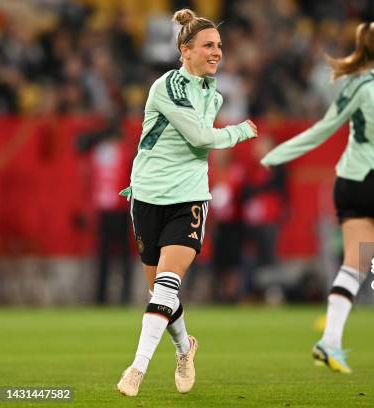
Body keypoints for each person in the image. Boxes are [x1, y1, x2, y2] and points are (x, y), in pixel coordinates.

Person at [261, 21, 374, 374]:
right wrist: (277, 155)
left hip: (356, 183)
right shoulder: (359, 86)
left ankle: (329, 343)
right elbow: (325, 126)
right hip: (367, 177)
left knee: (353, 267)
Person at [115, 9, 258, 396]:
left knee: (165, 288)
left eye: (220, 46)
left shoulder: (214, 93)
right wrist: (239, 131)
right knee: (161, 293)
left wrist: (220, 135)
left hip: (189, 198)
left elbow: (201, 144)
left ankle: (136, 369)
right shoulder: (167, 86)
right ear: (185, 50)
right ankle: (185, 347)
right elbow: (199, 138)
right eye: (209, 45)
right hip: (146, 195)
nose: (217, 53)